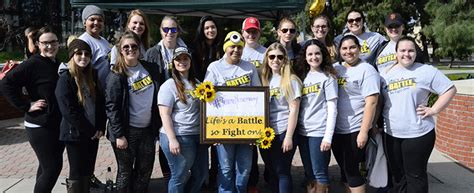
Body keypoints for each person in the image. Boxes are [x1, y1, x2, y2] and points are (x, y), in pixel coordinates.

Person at [380, 37, 456, 193]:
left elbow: (449, 89)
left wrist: (433, 110)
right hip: (391, 134)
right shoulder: (386, 75)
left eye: (410, 50)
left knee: (415, 177)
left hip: (418, 134)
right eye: (402, 50)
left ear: (416, 53)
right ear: (396, 53)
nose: (406, 54)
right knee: (398, 177)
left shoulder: (426, 71)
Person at [2, 26, 64, 193]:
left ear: (59, 43)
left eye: (53, 42)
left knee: (45, 168)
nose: (50, 46)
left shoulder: (56, 63)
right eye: (45, 43)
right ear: (37, 44)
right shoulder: (32, 63)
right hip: (40, 125)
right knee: (52, 168)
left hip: (54, 124)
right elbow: (5, 83)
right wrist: (26, 105)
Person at [205, 31, 261, 193]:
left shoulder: (249, 67)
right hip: (223, 128)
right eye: (232, 47)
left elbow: (258, 97)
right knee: (226, 168)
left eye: (239, 47)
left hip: (246, 128)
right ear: (225, 48)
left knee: (244, 170)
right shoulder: (214, 67)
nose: (236, 50)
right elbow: (206, 99)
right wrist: (212, 132)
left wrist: (256, 131)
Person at [105, 31, 162, 193]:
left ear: (139, 48)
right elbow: (112, 107)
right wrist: (119, 135)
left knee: (145, 171)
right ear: (121, 50)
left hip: (147, 130)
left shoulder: (151, 69)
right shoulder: (116, 75)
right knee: (125, 172)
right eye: (126, 47)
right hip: (126, 131)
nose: (130, 49)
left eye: (134, 46)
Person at [55, 39, 106, 193]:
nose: (83, 57)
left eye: (87, 54)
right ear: (72, 56)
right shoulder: (65, 78)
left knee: (88, 170)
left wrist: (100, 127)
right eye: (79, 53)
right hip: (75, 134)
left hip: (93, 133)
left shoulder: (92, 74)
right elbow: (69, 111)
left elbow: (100, 104)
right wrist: (90, 130)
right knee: (77, 172)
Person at [332, 35, 380, 193]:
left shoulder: (367, 70)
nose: (348, 51)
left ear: (359, 49)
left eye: (352, 47)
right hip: (337, 130)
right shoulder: (336, 68)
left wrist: (364, 132)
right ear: (339, 51)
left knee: (352, 171)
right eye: (344, 48)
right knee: (345, 171)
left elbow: (371, 102)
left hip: (355, 128)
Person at [158, 47, 209, 193]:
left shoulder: (198, 84)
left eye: (185, 58)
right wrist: (172, 139)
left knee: (200, 175)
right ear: (173, 63)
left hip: (198, 136)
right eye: (178, 59)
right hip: (179, 136)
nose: (182, 62)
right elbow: (164, 115)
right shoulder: (168, 86)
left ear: (190, 61)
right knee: (179, 175)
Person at [296, 39, 338, 193]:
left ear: (323, 55)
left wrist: (328, 137)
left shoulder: (328, 77)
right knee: (309, 174)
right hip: (302, 132)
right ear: (305, 57)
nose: (314, 57)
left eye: (317, 53)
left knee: (320, 173)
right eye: (310, 54)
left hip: (319, 132)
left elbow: (332, 108)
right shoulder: (302, 77)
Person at [259, 42, 302, 193]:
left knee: (282, 172)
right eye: (272, 56)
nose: (275, 60)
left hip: (284, 130)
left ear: (285, 59)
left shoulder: (292, 80)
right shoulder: (263, 79)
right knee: (271, 171)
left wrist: (289, 136)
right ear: (267, 59)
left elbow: (294, 110)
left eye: (279, 57)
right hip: (265, 134)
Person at [191, 15, 223, 190]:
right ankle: (201, 178)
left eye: (213, 27)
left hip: (221, 102)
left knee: (218, 142)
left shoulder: (222, 48)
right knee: (204, 142)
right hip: (201, 100)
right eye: (206, 28)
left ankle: (215, 176)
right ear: (202, 30)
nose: (210, 30)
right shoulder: (195, 49)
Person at [241, 17, 266, 192]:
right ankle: (248, 183)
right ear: (242, 33)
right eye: (248, 31)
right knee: (245, 147)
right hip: (240, 107)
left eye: (254, 31)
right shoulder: (236, 51)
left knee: (261, 146)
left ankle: (260, 180)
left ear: (259, 33)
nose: (251, 34)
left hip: (262, 104)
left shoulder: (266, 52)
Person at [79, 5, 111, 90]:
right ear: (84, 22)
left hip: (106, 87)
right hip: (94, 88)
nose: (96, 23)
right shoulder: (83, 41)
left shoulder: (104, 40)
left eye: (100, 20)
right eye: (92, 19)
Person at [146, 15, 187, 80]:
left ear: (177, 31)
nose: (169, 32)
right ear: (161, 31)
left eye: (173, 29)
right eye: (166, 29)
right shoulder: (151, 53)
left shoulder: (188, 52)